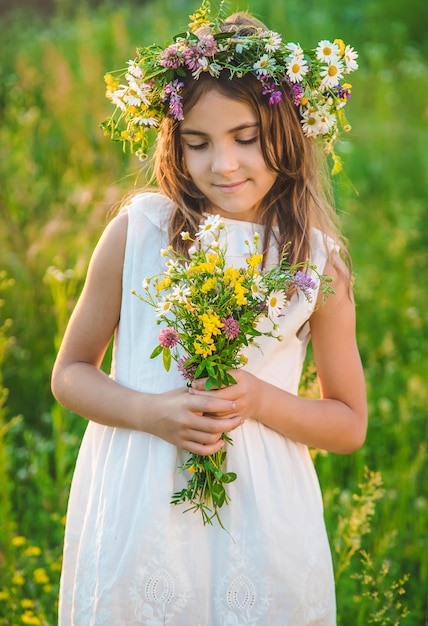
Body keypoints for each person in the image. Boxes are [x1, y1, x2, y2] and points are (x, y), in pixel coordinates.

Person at [51, 3, 367, 624]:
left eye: (246, 139)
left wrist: (258, 400)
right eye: (197, 143)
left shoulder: (316, 264)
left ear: (288, 133)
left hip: (262, 515)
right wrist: (150, 410)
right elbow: (70, 374)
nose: (223, 164)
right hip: (142, 504)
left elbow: (348, 423)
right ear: (175, 143)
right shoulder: (139, 233)